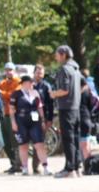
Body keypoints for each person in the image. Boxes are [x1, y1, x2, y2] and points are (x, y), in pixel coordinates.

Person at [50, 45, 82, 178]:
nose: (56, 57)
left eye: (57, 54)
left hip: (66, 107)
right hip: (76, 107)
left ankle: (70, 169)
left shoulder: (64, 69)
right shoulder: (76, 69)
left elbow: (64, 90)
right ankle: (77, 166)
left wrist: (53, 94)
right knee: (75, 138)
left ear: (63, 54)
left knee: (68, 139)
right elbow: (83, 86)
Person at [11, 75, 50, 175]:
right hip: (21, 120)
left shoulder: (35, 93)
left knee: (39, 144)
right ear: (24, 83)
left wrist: (42, 120)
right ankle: (24, 168)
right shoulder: (16, 94)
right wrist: (13, 122)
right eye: (30, 82)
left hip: (34, 120)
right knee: (23, 145)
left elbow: (40, 107)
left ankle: (45, 167)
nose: (32, 84)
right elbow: (11, 110)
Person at [0, 62, 22, 174]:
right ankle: (13, 163)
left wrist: (2, 93)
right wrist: (2, 93)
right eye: (6, 70)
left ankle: (19, 165)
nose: (8, 72)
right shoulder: (4, 82)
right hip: (4, 115)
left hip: (14, 115)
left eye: (10, 70)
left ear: (14, 71)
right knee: (6, 142)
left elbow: (14, 94)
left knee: (15, 141)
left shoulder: (18, 81)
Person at [30, 64, 56, 173]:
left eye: (41, 72)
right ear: (34, 73)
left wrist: (49, 119)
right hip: (27, 116)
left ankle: (36, 166)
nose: (39, 74)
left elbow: (50, 104)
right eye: (37, 72)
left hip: (41, 117)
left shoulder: (46, 86)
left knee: (39, 141)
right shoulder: (28, 84)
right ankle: (21, 166)